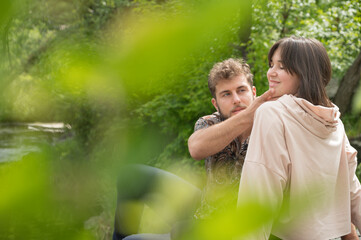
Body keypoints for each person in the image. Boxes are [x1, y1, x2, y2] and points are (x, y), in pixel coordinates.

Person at [112, 58, 274, 240]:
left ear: (254, 92)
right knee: (130, 176)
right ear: (216, 103)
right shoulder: (210, 122)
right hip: (205, 207)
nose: (236, 99)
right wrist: (247, 116)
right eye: (226, 94)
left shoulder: (270, 124)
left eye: (241, 90)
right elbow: (196, 148)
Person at [237, 36, 361, 240]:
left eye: (282, 67)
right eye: (271, 65)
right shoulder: (333, 121)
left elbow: (260, 191)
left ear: (305, 73)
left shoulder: (273, 113)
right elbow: (352, 190)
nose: (271, 73)